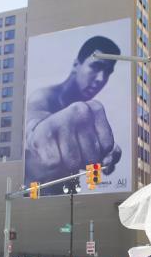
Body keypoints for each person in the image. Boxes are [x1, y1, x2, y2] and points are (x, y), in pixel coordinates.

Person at [25, 36, 123, 194]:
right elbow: (34, 127)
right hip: (30, 198)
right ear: (76, 65)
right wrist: (39, 132)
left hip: (64, 200)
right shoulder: (42, 97)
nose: (101, 79)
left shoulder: (86, 116)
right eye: (96, 66)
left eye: (107, 72)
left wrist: (104, 148)